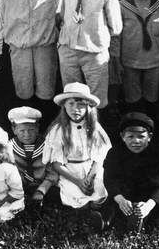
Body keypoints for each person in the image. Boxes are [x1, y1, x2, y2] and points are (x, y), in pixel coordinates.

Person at [57, 0, 123, 114]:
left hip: (93, 53)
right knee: (71, 95)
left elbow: (115, 29)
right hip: (69, 51)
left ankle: (94, 129)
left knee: (96, 97)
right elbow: (65, 18)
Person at [36, 82, 110, 213]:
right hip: (69, 171)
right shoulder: (59, 130)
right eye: (71, 104)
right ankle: (85, 208)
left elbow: (99, 159)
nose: (75, 109)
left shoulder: (94, 128)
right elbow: (57, 164)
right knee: (71, 193)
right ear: (64, 105)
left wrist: (90, 178)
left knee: (98, 190)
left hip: (90, 169)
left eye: (80, 104)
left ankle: (96, 210)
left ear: (88, 107)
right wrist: (78, 181)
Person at [118, 0, 159, 122]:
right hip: (129, 60)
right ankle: (134, 126)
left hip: (154, 60)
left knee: (152, 96)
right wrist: (116, 60)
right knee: (132, 97)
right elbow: (116, 36)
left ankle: (151, 127)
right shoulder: (122, 6)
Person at [101, 112, 159, 232]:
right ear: (122, 137)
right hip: (123, 193)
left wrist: (149, 205)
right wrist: (120, 200)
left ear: (149, 136)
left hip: (146, 194)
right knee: (111, 202)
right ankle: (105, 221)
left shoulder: (156, 154)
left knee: (156, 204)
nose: (136, 141)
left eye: (141, 137)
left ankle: (139, 220)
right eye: (130, 137)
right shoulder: (115, 152)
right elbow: (109, 178)